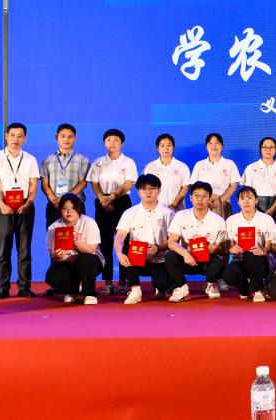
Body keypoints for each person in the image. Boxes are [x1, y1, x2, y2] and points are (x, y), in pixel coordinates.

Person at [0, 122, 41, 299]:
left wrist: (29, 203)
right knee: (4, 249)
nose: (15, 139)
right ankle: (2, 287)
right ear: (6, 136)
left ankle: (24, 287)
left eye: (19, 136)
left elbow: (33, 184)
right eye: (12, 135)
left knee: (24, 249)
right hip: (3, 204)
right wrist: (2, 205)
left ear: (25, 138)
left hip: (25, 205)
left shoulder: (30, 159)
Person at [87, 128, 138, 295]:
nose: (112, 143)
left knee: (124, 241)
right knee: (105, 242)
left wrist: (113, 197)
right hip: (102, 202)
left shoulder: (128, 162)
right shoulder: (98, 162)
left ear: (121, 143)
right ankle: (108, 281)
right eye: (109, 140)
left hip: (122, 202)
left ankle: (124, 280)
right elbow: (94, 183)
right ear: (104, 143)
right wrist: (103, 198)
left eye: (116, 140)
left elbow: (129, 183)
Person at [113, 174, 174, 305]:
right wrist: (118, 253)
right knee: (127, 248)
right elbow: (119, 236)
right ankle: (135, 289)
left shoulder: (168, 213)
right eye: (143, 188)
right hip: (138, 259)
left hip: (160, 259)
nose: (148, 192)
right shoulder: (130, 213)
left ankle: (161, 287)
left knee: (163, 284)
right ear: (138, 191)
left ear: (159, 190)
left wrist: (158, 248)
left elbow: (173, 240)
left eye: (152, 188)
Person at [163, 181, 228, 302]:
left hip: (206, 260)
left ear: (209, 198)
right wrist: (186, 254)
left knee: (218, 262)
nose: (200, 199)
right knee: (170, 256)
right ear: (191, 198)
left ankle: (211, 283)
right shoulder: (181, 215)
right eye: (196, 195)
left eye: (204, 196)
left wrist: (207, 245)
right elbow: (171, 242)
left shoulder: (218, 221)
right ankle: (182, 287)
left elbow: (223, 250)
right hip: (186, 259)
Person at [44, 193, 103, 304]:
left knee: (87, 259)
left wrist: (75, 240)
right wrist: (57, 256)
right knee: (52, 275)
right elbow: (52, 257)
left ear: (79, 209)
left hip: (90, 262)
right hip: (67, 261)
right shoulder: (53, 228)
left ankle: (89, 293)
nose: (69, 211)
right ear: (60, 210)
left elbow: (91, 250)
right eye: (65, 208)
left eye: (73, 208)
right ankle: (73, 290)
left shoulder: (89, 222)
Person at [222, 186, 276, 302]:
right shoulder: (231, 220)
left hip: (260, 260)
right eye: (242, 198)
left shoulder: (266, 219)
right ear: (238, 202)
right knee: (228, 275)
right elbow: (229, 245)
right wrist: (231, 249)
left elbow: (269, 244)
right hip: (239, 260)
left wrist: (263, 251)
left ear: (256, 200)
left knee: (250, 255)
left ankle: (258, 290)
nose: (246, 201)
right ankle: (245, 290)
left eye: (250, 198)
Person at [39, 123, 90, 228]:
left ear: (75, 138)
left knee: (77, 236)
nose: (66, 139)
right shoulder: (47, 160)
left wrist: (65, 199)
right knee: (54, 236)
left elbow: (83, 183)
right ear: (56, 137)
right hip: (54, 205)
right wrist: (54, 200)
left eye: (70, 136)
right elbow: (44, 184)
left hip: (76, 205)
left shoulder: (83, 160)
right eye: (63, 136)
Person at [189, 133, 241, 219]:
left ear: (222, 146)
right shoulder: (199, 164)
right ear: (206, 147)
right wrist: (206, 199)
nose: (214, 146)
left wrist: (219, 200)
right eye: (210, 143)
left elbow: (233, 186)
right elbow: (194, 186)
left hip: (223, 203)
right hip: (202, 203)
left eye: (217, 143)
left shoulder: (229, 164)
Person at [242, 136, 276, 222]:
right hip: (255, 206)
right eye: (265, 147)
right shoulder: (251, 168)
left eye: (271, 147)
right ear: (260, 149)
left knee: (274, 229)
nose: (268, 149)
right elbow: (247, 191)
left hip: (275, 206)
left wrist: (272, 209)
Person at [142, 133, 190, 212]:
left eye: (169, 145)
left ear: (173, 147)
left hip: (177, 210)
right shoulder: (150, 167)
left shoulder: (182, 166)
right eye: (162, 145)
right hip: (154, 210)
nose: (166, 148)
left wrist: (174, 205)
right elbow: (144, 188)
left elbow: (185, 188)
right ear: (157, 148)